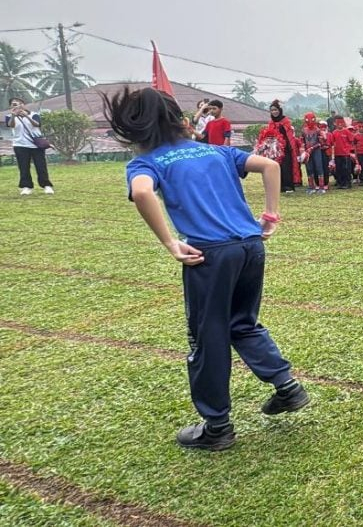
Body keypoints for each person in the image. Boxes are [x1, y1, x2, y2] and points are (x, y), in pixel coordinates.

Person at [102, 87, 308, 451]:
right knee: (242, 322)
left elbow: (143, 192)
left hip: (209, 255)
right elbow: (271, 165)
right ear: (178, 119)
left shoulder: (147, 163)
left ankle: (217, 427)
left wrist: (169, 243)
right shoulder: (216, 151)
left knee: (208, 335)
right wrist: (271, 215)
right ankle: (287, 387)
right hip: (250, 246)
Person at [6, 97, 54, 195]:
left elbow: (37, 124)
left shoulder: (34, 114)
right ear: (11, 106)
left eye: (19, 103)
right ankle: (26, 186)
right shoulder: (9, 116)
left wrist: (27, 116)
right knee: (24, 167)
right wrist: (14, 116)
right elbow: (11, 125)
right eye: (14, 104)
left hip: (36, 145)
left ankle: (46, 185)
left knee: (41, 166)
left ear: (23, 104)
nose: (17, 105)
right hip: (20, 145)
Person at [254, 100, 301, 194]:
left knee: (286, 167)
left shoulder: (285, 121)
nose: (274, 112)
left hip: (286, 149)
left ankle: (288, 186)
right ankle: (279, 186)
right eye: (272, 110)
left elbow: (289, 135)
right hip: (275, 150)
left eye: (276, 110)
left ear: (280, 110)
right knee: (276, 167)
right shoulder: (271, 122)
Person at [299, 112, 328, 195]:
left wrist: (312, 148)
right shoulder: (304, 130)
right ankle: (311, 187)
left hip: (316, 151)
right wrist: (303, 150)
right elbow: (302, 141)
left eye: (311, 119)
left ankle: (321, 187)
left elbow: (322, 142)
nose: (310, 121)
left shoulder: (318, 130)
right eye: (308, 119)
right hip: (308, 151)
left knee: (319, 167)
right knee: (309, 168)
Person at [330, 116, 355, 190]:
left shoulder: (346, 131)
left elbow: (352, 140)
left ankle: (348, 183)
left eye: (341, 123)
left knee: (346, 169)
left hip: (346, 154)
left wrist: (349, 149)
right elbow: (332, 143)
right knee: (339, 169)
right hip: (337, 154)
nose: (340, 124)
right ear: (335, 124)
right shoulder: (334, 132)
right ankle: (340, 183)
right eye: (338, 123)